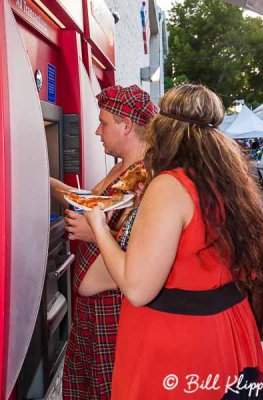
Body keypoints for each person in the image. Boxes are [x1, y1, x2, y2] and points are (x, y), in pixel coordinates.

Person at [85, 83, 263, 400]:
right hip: (228, 329)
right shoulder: (226, 179)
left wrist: (97, 225)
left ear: (163, 131)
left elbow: (138, 288)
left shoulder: (170, 185)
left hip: (178, 345)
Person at [50, 84, 157, 400]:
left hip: (115, 308)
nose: (97, 130)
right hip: (92, 309)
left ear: (126, 125)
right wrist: (45, 180)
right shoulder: (121, 169)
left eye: (104, 122)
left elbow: (145, 253)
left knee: (110, 389)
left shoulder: (146, 177)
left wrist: (91, 232)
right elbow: (89, 203)